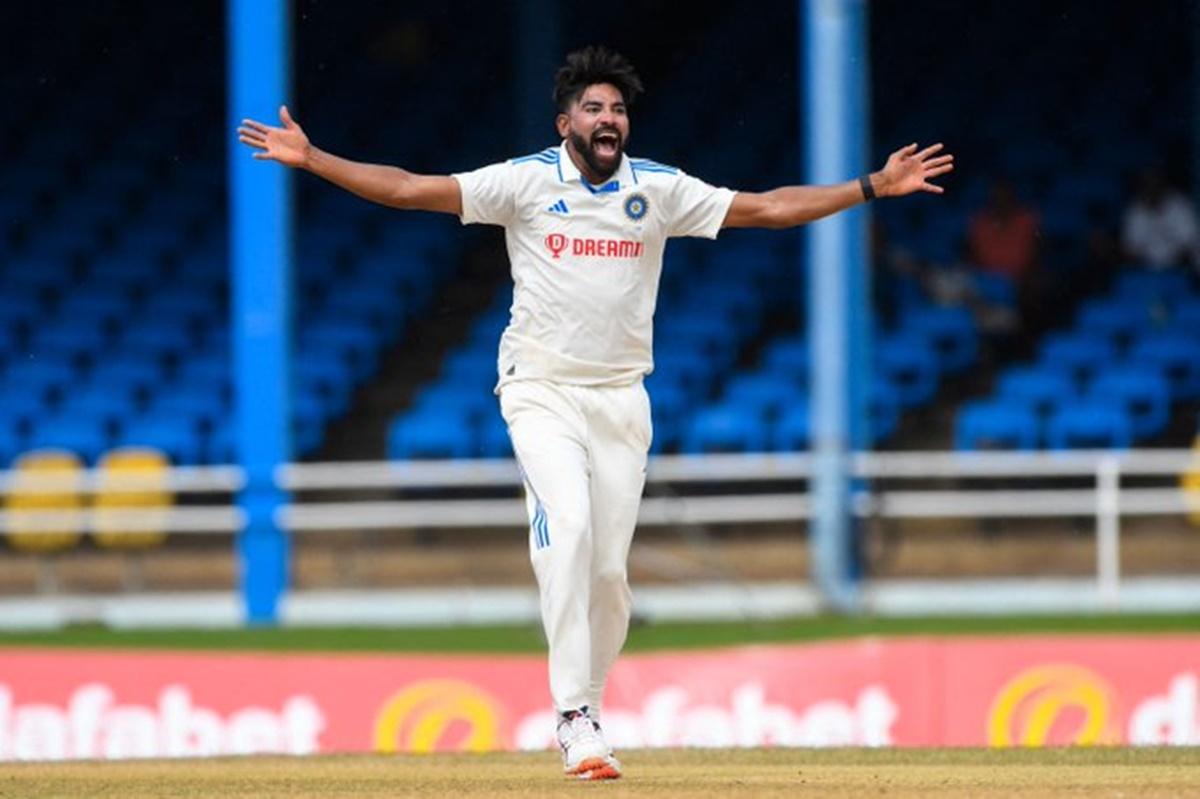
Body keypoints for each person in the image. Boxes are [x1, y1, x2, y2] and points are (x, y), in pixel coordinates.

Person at [237, 45, 952, 780]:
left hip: (622, 397)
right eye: (593, 108)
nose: (608, 118)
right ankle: (573, 717)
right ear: (565, 123)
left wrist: (871, 185)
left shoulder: (659, 189)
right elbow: (412, 189)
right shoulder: (526, 181)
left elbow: (768, 208)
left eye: (617, 109)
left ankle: (588, 708)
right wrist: (316, 158)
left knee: (610, 576)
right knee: (568, 528)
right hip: (540, 388)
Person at [1121, 168, 1200, 270]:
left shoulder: (1180, 206)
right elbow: (1130, 248)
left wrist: (1174, 265)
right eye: (1147, 184)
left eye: (1155, 184)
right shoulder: (1134, 211)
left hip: (1179, 268)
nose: (1151, 188)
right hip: (1144, 269)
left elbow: (1190, 243)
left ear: (1163, 185)